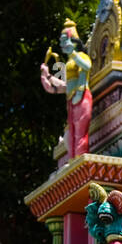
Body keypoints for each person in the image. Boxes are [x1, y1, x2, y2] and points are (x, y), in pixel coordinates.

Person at [40, 20, 92, 157]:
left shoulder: (81, 56)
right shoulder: (69, 62)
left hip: (82, 97)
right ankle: (74, 165)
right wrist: (48, 77)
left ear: (73, 41)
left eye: (64, 40)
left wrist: (73, 53)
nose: (62, 44)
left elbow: (87, 67)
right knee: (71, 137)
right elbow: (66, 86)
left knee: (80, 135)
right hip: (71, 100)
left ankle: (80, 166)